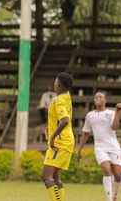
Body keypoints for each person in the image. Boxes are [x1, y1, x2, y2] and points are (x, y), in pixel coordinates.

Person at [78, 91, 121, 201]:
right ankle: (109, 199)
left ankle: (115, 196)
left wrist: (117, 111)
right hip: (99, 147)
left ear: (105, 100)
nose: (98, 98)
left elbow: (114, 127)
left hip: (113, 147)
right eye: (96, 97)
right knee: (106, 169)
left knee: (118, 175)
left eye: (101, 97)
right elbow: (86, 133)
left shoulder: (111, 113)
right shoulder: (90, 115)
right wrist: (79, 150)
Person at [41, 72, 74, 201]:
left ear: (58, 84)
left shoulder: (58, 100)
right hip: (66, 140)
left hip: (60, 142)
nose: (54, 84)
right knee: (55, 177)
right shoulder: (66, 96)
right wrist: (50, 127)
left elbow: (65, 120)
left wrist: (53, 136)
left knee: (46, 176)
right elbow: (60, 117)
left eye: (55, 81)